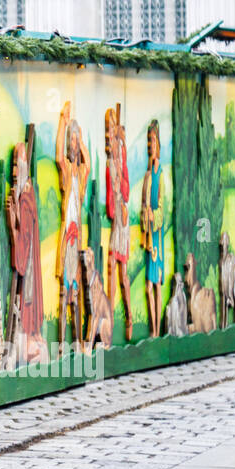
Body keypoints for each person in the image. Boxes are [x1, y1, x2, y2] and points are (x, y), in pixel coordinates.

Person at [5, 139, 45, 364]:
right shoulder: (25, 195)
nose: (12, 171)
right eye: (12, 164)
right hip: (28, 267)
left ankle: (30, 343)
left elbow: (24, 246)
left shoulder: (26, 197)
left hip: (28, 272)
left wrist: (12, 226)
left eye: (16, 165)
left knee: (24, 304)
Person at [55, 102, 90, 348]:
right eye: (72, 141)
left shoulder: (81, 173)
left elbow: (88, 163)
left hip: (78, 238)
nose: (75, 145)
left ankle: (77, 343)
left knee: (76, 294)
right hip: (67, 234)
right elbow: (59, 156)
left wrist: (80, 134)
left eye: (77, 141)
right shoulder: (67, 170)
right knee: (63, 293)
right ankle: (61, 346)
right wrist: (63, 123)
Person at [105, 106, 133, 339]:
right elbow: (109, 205)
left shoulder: (120, 160)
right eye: (108, 132)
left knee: (123, 272)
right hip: (117, 221)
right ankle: (113, 317)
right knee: (112, 268)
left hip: (123, 223)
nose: (110, 137)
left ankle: (130, 315)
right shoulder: (108, 166)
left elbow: (127, 190)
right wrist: (115, 207)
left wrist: (119, 190)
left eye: (112, 131)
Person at [140, 120, 166, 337]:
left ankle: (157, 330)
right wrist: (145, 214)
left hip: (156, 237)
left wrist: (153, 215)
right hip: (149, 236)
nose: (151, 145)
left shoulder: (160, 174)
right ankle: (153, 330)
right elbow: (143, 203)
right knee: (148, 285)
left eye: (153, 140)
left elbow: (162, 208)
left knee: (156, 283)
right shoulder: (148, 175)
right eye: (149, 141)